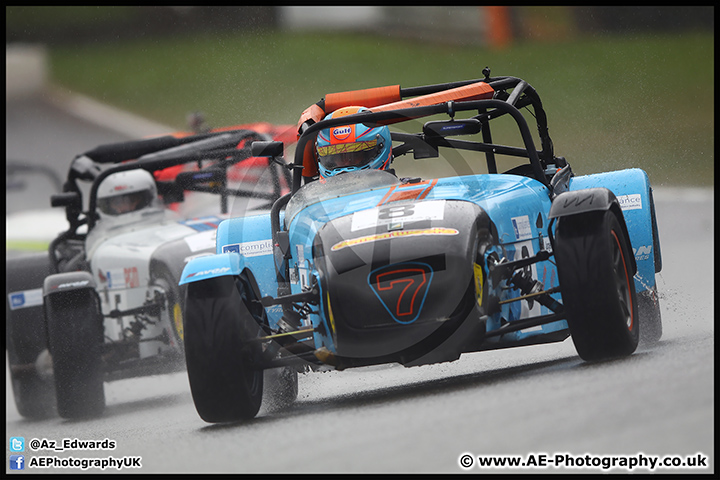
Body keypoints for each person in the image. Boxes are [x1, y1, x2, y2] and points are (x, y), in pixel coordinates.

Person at [315, 106, 393, 178]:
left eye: (354, 156)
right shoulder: (313, 192)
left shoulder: (402, 189)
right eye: (338, 157)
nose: (346, 164)